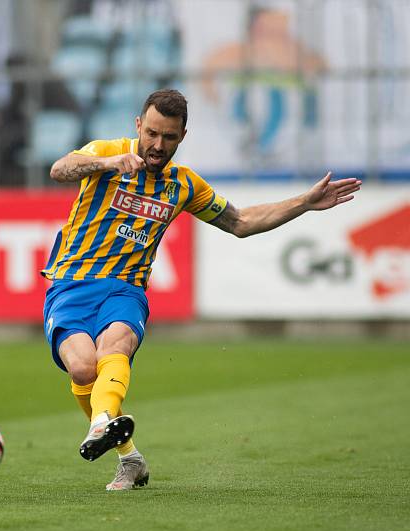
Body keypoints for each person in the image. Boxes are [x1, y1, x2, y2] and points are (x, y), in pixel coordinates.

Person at [41, 88, 360, 491]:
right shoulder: (108, 152)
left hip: (125, 288)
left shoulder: (183, 185)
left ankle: (101, 422)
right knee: (84, 367)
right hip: (71, 283)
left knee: (114, 349)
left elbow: (241, 222)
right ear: (138, 125)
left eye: (169, 137)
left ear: (182, 136)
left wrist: (305, 203)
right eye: (152, 133)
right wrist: (107, 163)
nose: (158, 145)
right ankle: (130, 459)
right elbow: (59, 169)